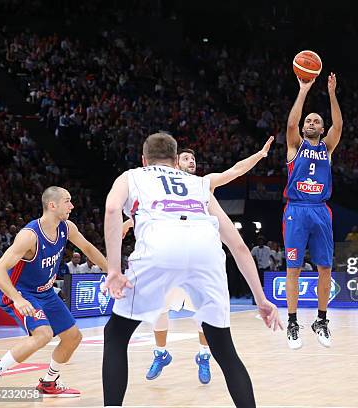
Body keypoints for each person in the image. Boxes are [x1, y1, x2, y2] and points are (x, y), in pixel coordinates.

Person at [102, 133, 281, 407]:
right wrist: (261, 298)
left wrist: (114, 269)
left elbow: (113, 208)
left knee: (115, 334)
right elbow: (239, 246)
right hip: (206, 252)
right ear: (176, 161)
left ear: (143, 159)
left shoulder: (132, 176)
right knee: (224, 348)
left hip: (159, 247)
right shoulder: (199, 184)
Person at [0, 186, 108, 397]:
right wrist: (17, 299)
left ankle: (49, 382)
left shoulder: (67, 227)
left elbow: (89, 249)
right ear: (52, 205)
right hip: (22, 293)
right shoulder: (29, 236)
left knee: (73, 337)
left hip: (46, 293)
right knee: (43, 334)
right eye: (67, 201)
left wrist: (113, 273)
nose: (72, 206)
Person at [284, 72, 343, 349]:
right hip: (296, 210)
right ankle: (293, 322)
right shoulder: (295, 146)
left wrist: (331, 94)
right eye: (309, 120)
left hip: (320, 210)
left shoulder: (327, 148)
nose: (311, 123)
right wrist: (304, 89)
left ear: (321, 129)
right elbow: (292, 122)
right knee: (293, 268)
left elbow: (339, 126)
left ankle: (321, 320)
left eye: (316, 121)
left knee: (325, 267)